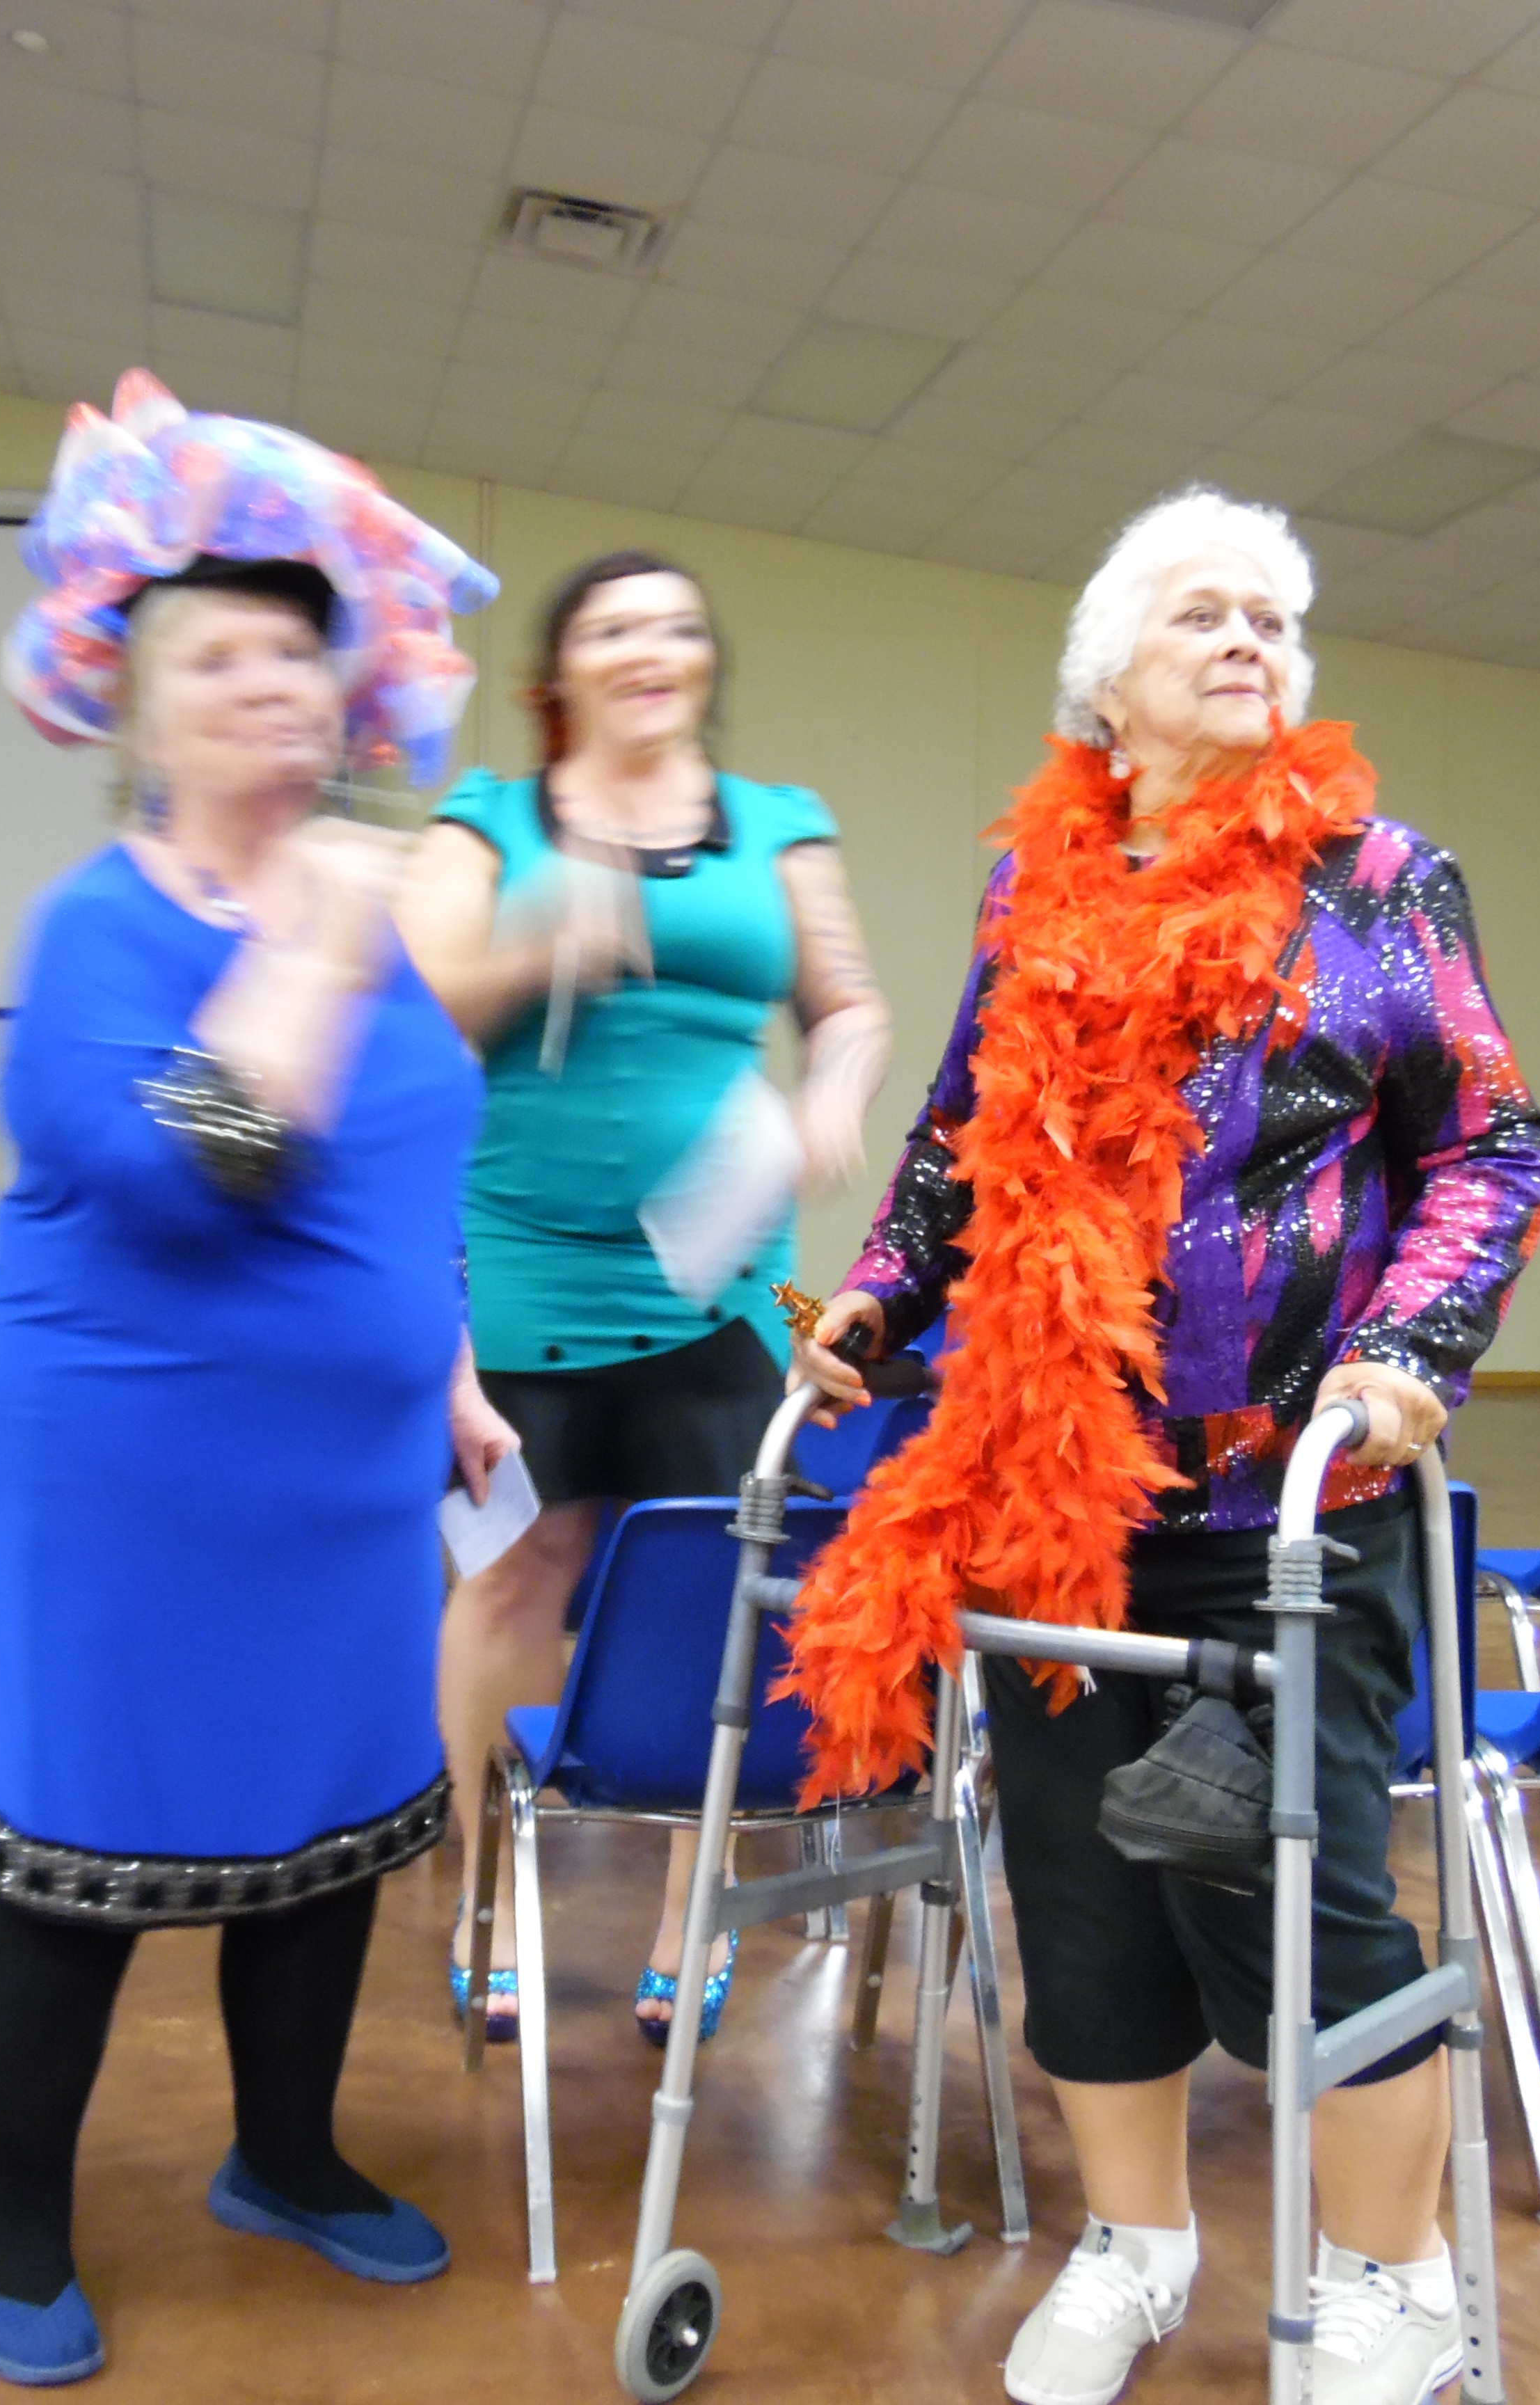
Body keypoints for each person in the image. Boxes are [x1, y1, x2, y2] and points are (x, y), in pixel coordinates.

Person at [782, 488, 1540, 2405]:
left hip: (1291, 1501)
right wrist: (874, 1301)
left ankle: (1396, 2281)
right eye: (1203, 614)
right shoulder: (1032, 896)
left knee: (1292, 1896)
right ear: (1105, 686)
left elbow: (1490, 1146)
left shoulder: (1382, 880)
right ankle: (1135, 2247)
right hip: (1052, 1495)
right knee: (1081, 1899)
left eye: (1273, 619)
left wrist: (1408, 1350)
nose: (1248, 642)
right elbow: (958, 1142)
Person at [0, 370, 514, 2388]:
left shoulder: (367, 918)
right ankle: (13, 2216)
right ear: (137, 709)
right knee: (76, 1848)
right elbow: (198, 1168)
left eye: (297, 650)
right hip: (122, 1464)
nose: (270, 681)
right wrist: (315, 948)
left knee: (329, 1825)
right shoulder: (99, 931)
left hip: (345, 1482)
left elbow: (405, 1170)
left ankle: (284, 2156)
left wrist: (448, 1368)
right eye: (217, 657)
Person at [394, 550, 892, 2043]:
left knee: (715, 1581)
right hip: (516, 1265)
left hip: (716, 1274)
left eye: (676, 625)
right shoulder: (489, 819)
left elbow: (848, 1005)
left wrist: (836, 1093)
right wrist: (548, 946)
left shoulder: (780, 824)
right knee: (512, 1573)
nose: (648, 648)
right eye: (613, 627)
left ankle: (695, 1910)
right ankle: (485, 1898)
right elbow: (412, 1012)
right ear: (562, 670)